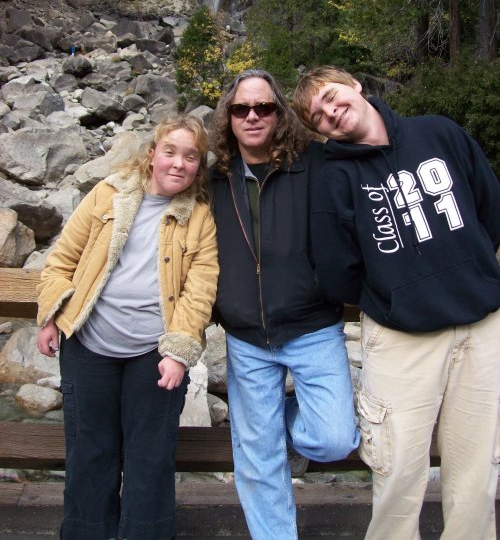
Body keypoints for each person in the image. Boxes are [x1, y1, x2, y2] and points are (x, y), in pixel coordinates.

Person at [293, 65, 500, 540]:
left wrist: (465, 270)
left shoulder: (439, 133)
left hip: (482, 328)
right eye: (318, 116)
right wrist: (394, 293)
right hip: (402, 339)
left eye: (331, 96)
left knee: (476, 472)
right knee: (397, 473)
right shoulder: (334, 178)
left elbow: (490, 210)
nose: (330, 112)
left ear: (354, 84)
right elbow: (336, 270)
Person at [37, 116, 219, 540]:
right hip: (89, 345)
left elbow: (200, 291)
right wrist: (51, 314)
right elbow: (62, 258)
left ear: (199, 166)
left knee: (150, 458)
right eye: (170, 152)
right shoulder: (109, 194)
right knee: (89, 452)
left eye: (190, 156)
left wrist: (179, 350)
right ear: (152, 154)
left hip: (154, 355)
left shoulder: (200, 219)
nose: (179, 163)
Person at [210, 68, 359, 540]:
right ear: (228, 117)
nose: (252, 116)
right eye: (241, 109)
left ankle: (273, 426)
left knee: (335, 438)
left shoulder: (315, 164)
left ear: (279, 114)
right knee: (257, 463)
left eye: (264, 107)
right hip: (247, 337)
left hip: (312, 326)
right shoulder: (215, 178)